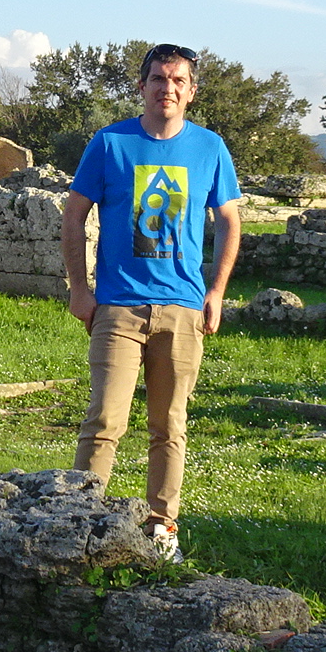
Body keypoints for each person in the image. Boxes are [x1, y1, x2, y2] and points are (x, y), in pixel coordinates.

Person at [61, 43, 242, 548]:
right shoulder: (110, 143)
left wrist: (216, 292)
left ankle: (163, 529)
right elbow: (74, 214)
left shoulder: (210, 148)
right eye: (159, 79)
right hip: (118, 306)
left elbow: (229, 220)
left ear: (192, 91)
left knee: (169, 426)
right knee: (104, 421)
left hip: (182, 307)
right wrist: (79, 288)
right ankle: (80, 522)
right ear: (142, 87)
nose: (168, 89)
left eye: (178, 80)